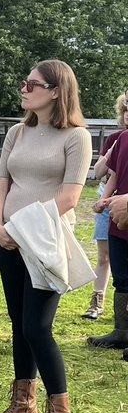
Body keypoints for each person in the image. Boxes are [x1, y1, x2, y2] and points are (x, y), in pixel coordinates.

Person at [0, 60, 91, 413]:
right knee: (18, 323)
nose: (24, 89)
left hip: (45, 241)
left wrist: (18, 227)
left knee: (36, 327)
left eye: (32, 84)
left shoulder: (76, 137)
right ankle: (22, 405)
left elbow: (70, 196)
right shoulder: (17, 131)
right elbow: (2, 182)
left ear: (56, 91)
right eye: (24, 82)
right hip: (10, 240)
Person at [84, 94, 127, 324]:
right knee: (112, 264)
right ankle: (116, 324)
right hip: (113, 207)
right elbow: (105, 173)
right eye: (126, 107)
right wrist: (105, 199)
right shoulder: (118, 139)